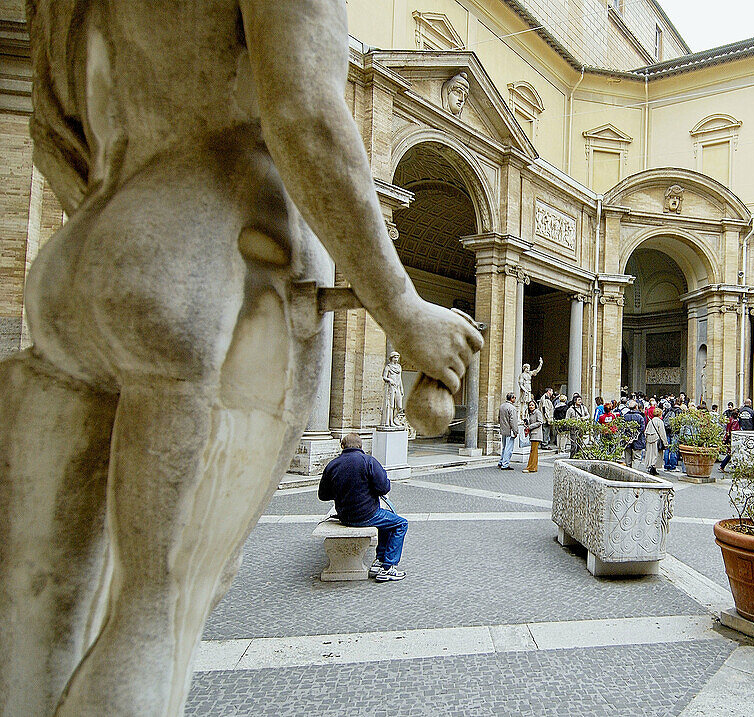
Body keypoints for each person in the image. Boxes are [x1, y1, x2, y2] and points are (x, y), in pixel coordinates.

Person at [0, 3, 485, 713]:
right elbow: (304, 113)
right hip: (209, 269)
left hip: (89, 256)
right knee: (153, 611)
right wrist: (403, 309)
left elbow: (54, 138)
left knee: (36, 600)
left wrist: (125, 249)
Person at [318, 434, 408, 582]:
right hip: (366, 515)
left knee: (387, 522)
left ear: (342, 446)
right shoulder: (369, 462)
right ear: (361, 446)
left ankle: (379, 561)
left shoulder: (332, 465)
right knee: (400, 524)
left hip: (344, 515)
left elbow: (323, 495)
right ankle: (388, 568)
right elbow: (384, 488)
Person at [498, 393, 522, 470]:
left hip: (503, 429)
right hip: (509, 430)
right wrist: (516, 431)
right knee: (509, 448)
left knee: (504, 447)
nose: (515, 399)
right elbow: (513, 421)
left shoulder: (502, 406)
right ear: (511, 398)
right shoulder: (512, 408)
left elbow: (499, 418)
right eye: (514, 397)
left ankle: (501, 461)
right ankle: (505, 464)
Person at [644, 407, 669, 476]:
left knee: (650, 453)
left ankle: (650, 466)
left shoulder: (650, 421)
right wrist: (665, 443)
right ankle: (653, 467)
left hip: (649, 439)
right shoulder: (660, 422)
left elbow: (646, 431)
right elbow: (662, 433)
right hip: (656, 439)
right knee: (656, 454)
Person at [622, 400, 646, 469]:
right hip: (638, 439)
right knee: (637, 458)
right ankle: (634, 471)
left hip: (627, 439)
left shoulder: (625, 416)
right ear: (636, 407)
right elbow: (642, 428)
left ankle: (628, 471)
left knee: (628, 460)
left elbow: (622, 428)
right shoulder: (640, 417)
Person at [523, 400, 544, 473]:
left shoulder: (537, 412)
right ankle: (532, 466)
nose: (531, 406)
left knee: (534, 451)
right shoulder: (531, 414)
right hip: (532, 434)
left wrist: (530, 426)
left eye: (532, 405)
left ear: (535, 405)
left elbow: (540, 422)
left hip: (536, 434)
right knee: (533, 451)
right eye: (530, 405)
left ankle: (532, 467)